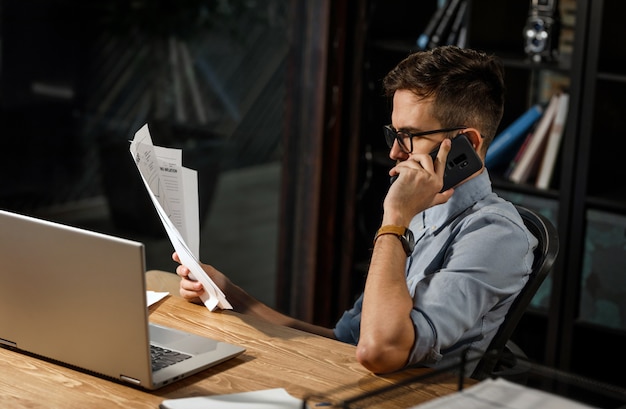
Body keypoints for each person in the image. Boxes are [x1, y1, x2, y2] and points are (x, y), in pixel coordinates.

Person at [171, 45, 537, 376]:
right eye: (394, 135)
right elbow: (343, 341)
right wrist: (232, 295)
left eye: (409, 135)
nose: (395, 153)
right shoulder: (421, 213)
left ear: (467, 144)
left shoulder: (495, 234)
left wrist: (394, 220)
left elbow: (379, 351)